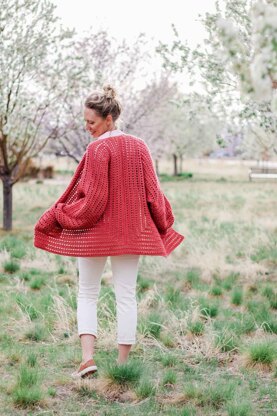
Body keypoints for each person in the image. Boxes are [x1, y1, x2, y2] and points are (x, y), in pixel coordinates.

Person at [33, 84, 184, 379]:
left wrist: (59, 213)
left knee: (88, 292)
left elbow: (93, 202)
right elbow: (154, 194)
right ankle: (123, 366)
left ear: (109, 119)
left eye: (91, 122)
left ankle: (87, 359)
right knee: (126, 295)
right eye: (85, 121)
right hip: (131, 234)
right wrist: (163, 221)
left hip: (95, 236)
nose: (87, 127)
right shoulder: (140, 147)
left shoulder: (98, 149)